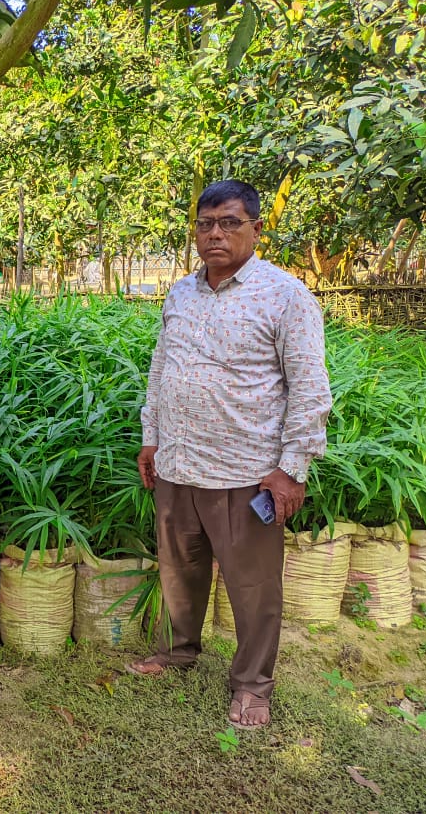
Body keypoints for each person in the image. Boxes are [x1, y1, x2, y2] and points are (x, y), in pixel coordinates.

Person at [129, 179, 331, 730]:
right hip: (177, 465)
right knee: (179, 571)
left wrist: (292, 470)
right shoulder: (180, 293)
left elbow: (311, 390)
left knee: (253, 588)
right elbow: (160, 371)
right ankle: (180, 651)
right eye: (205, 224)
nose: (214, 234)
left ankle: (253, 686)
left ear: (256, 230)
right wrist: (152, 437)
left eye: (229, 223)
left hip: (245, 474)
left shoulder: (285, 295)